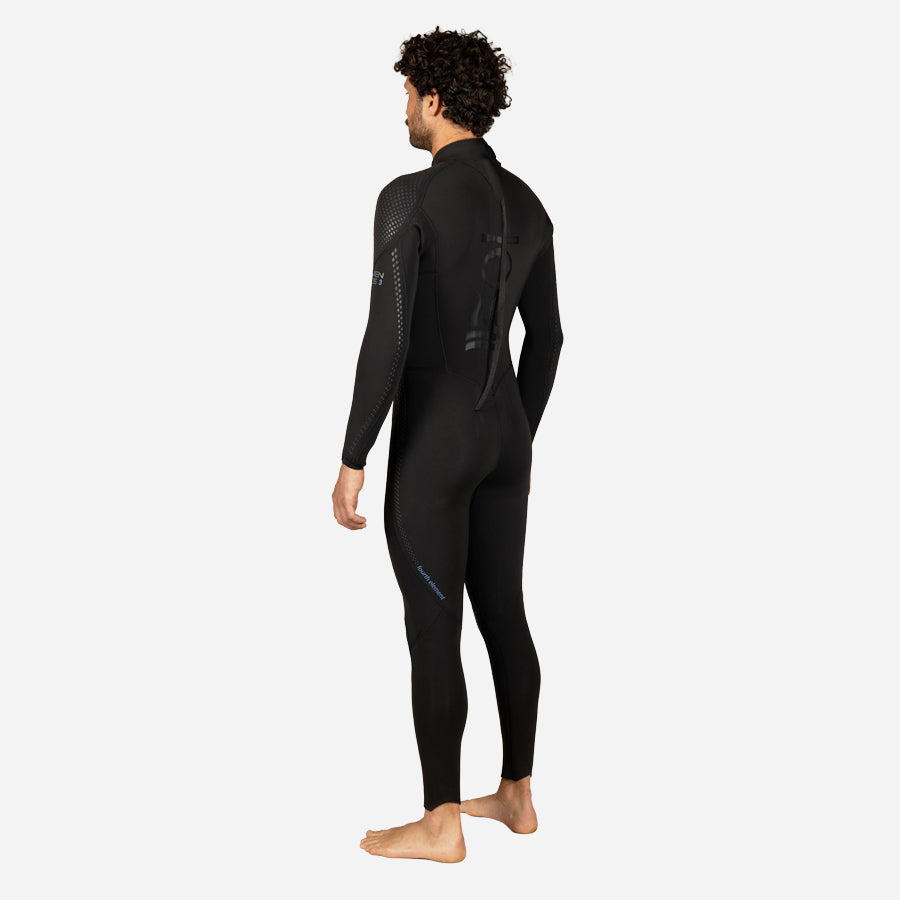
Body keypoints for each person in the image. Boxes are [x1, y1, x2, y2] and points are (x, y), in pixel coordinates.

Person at [332, 26, 563, 863]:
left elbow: (388, 338)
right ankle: (517, 794)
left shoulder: (409, 198)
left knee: (434, 627)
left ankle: (440, 822)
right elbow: (549, 339)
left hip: (435, 447)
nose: (403, 109)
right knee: (505, 611)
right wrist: (513, 433)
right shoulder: (530, 205)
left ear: (433, 99)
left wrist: (353, 457)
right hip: (506, 444)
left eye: (407, 95)